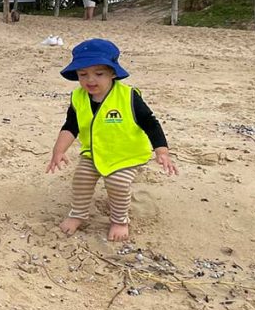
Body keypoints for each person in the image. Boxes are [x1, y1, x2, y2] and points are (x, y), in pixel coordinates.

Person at [45, 39, 177, 242]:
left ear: (113, 73)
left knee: (118, 183)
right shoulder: (78, 98)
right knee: (81, 179)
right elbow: (71, 126)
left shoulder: (128, 96)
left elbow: (150, 123)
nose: (90, 80)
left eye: (99, 74)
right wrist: (58, 151)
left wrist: (161, 151)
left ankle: (119, 220)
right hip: (95, 153)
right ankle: (78, 214)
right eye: (83, 74)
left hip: (126, 154)